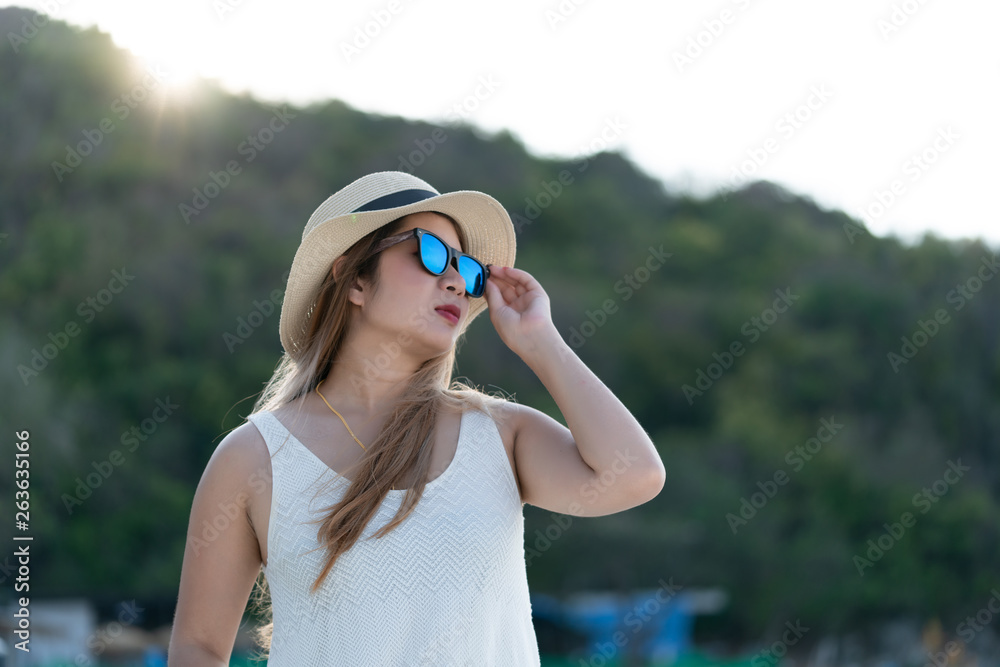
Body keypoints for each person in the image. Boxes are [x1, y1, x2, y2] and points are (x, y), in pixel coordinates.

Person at [166, 171, 666, 666]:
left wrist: (540, 341)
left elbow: (635, 476)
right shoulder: (254, 457)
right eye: (429, 253)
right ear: (355, 279)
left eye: (466, 268)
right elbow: (198, 649)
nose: (454, 280)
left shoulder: (499, 435)